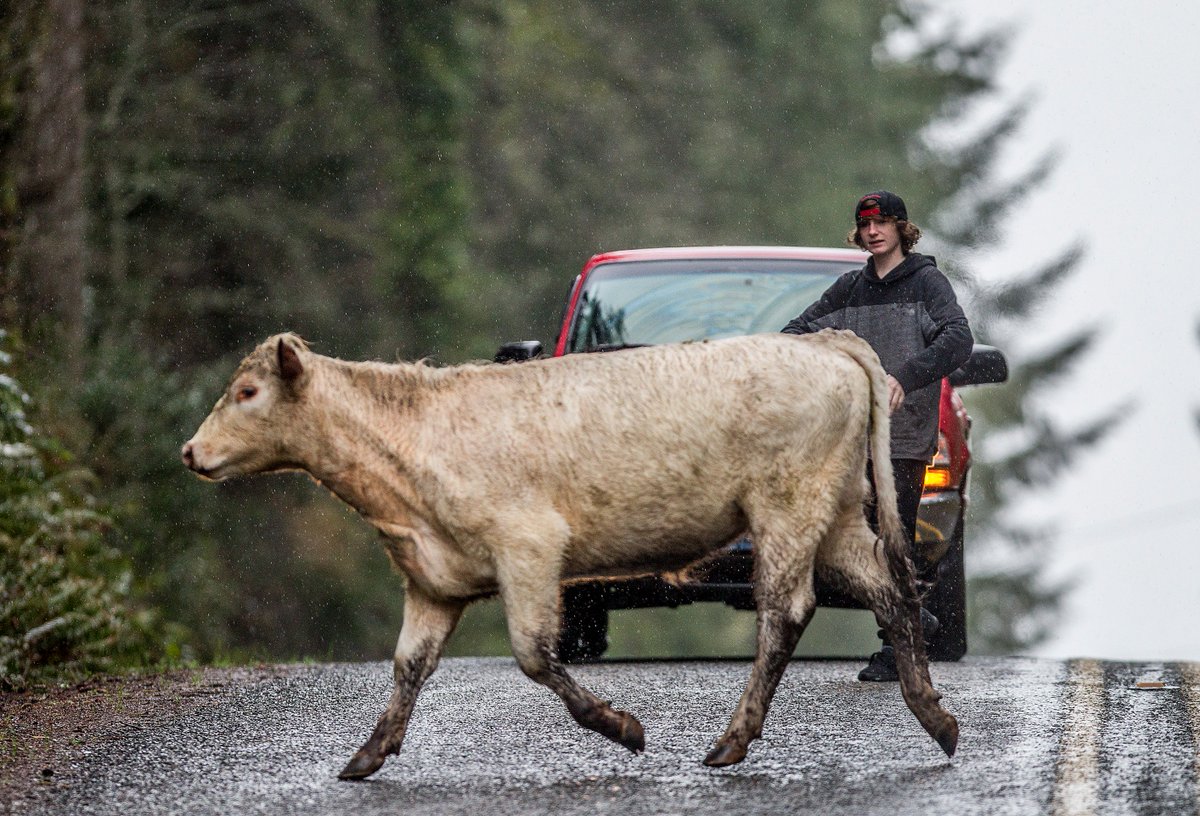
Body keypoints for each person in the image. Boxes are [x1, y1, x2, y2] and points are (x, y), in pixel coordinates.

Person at [782, 190, 973, 681]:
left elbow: (957, 337)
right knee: (857, 547)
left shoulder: (927, 284)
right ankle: (915, 617)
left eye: (883, 223)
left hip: (905, 440)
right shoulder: (850, 290)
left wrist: (903, 377)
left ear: (902, 228)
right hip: (850, 439)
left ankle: (897, 648)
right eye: (865, 224)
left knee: (894, 540)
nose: (873, 232)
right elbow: (797, 333)